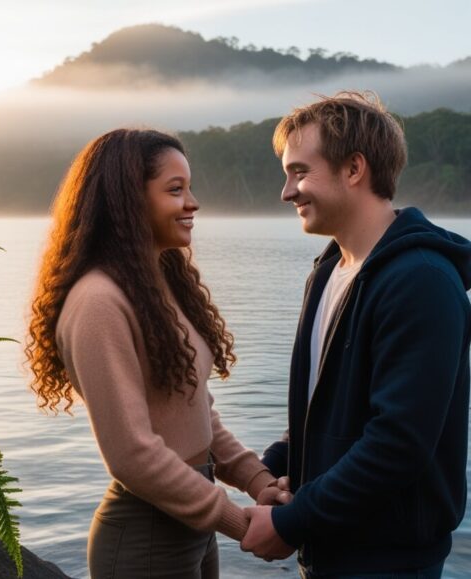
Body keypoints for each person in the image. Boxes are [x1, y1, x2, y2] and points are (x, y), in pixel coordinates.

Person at [26, 128, 282, 578]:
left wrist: (258, 482)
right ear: (128, 199)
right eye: (175, 190)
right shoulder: (98, 302)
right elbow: (131, 454)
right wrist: (238, 521)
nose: (193, 203)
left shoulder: (157, 285)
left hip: (192, 526)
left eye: (189, 187)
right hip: (146, 538)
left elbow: (195, 410)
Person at [241, 92, 471, 578]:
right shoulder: (329, 270)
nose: (287, 192)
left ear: (354, 169)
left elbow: (398, 443)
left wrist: (290, 523)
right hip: (329, 548)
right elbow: (327, 405)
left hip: (387, 562)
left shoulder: (421, 279)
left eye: (300, 172)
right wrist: (278, 466)